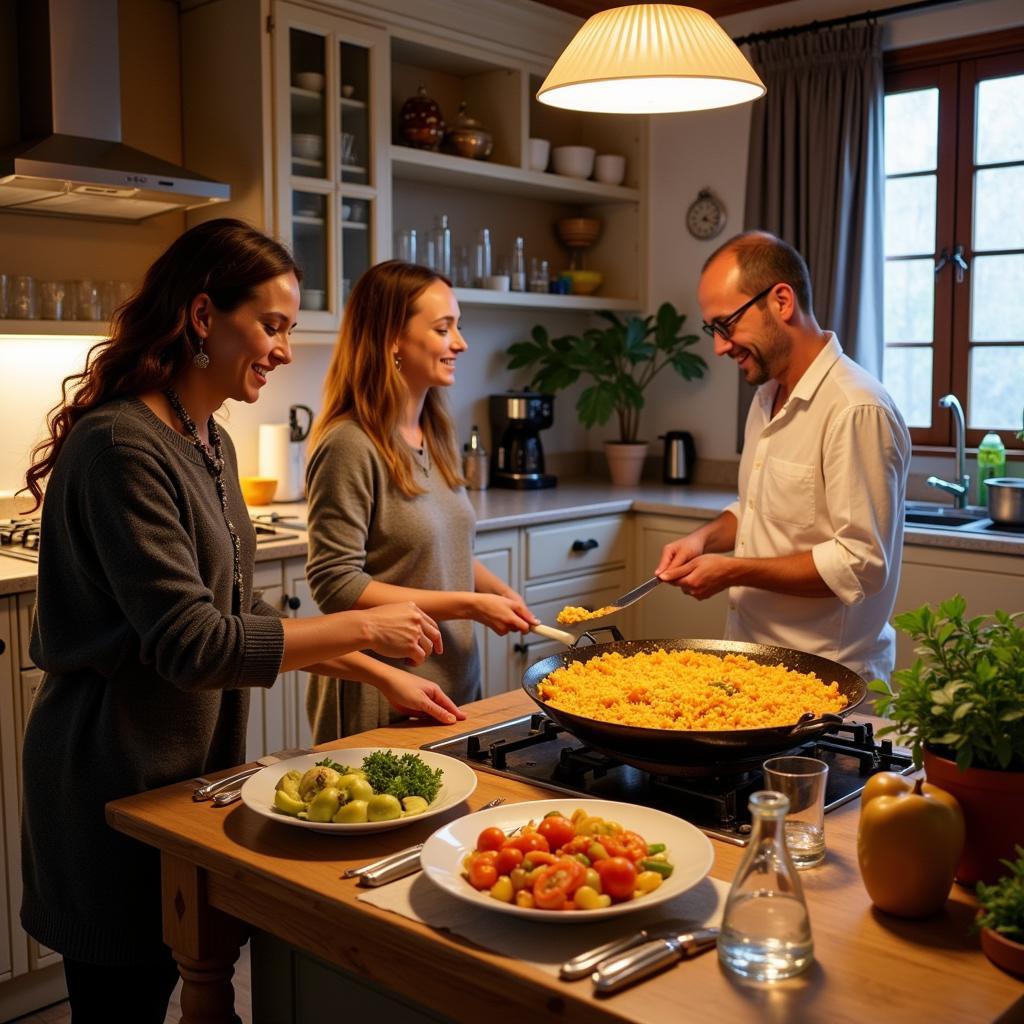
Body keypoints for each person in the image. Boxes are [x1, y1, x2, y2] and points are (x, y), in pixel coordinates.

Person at [18, 220, 460, 1023]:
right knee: (120, 1002)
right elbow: (193, 643)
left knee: (199, 983)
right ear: (201, 316)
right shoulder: (122, 444)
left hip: (187, 782)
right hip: (110, 779)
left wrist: (380, 672)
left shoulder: (206, 439)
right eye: (273, 325)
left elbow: (240, 612)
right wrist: (365, 631)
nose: (285, 350)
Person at [655, 231, 911, 682]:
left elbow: (859, 565)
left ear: (782, 301)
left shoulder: (854, 407)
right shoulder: (767, 396)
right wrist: (704, 539)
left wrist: (733, 570)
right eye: (712, 329)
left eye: (726, 324)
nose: (718, 346)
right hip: (754, 667)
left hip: (830, 682)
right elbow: (758, 511)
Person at [305, 260, 537, 741]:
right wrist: (471, 606)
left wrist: (497, 594)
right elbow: (336, 583)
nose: (460, 343)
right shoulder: (350, 444)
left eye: (458, 327)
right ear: (393, 338)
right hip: (386, 691)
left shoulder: (433, 434)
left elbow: (447, 551)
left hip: (450, 680)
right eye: (443, 328)